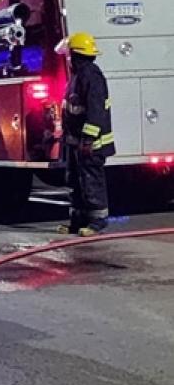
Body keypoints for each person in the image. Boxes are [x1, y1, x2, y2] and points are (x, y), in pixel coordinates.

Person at [57, 32, 115, 237]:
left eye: (70, 54)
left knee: (91, 182)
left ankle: (97, 221)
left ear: (75, 55)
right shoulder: (78, 76)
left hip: (92, 144)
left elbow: (95, 111)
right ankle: (76, 221)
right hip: (77, 143)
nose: (68, 59)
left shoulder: (92, 76)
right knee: (75, 181)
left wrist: (89, 139)